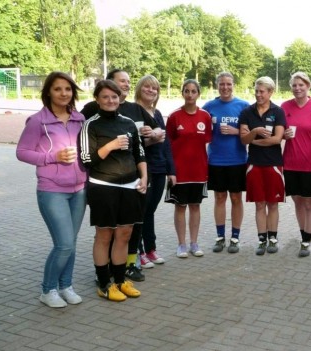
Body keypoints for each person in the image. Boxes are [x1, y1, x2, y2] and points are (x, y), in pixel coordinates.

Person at [16, 72, 88, 308]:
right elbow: (22, 152)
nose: (63, 93)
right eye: (58, 89)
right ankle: (48, 290)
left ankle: (66, 285)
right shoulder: (38, 121)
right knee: (64, 243)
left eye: (67, 89)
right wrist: (51, 157)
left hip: (79, 189)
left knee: (72, 242)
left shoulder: (79, 119)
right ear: (48, 92)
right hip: (52, 190)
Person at [81, 69, 160, 283]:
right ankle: (104, 281)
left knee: (124, 234)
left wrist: (144, 177)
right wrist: (111, 146)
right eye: (105, 97)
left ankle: (119, 280)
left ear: (119, 98)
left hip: (130, 186)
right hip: (103, 186)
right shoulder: (91, 124)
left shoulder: (127, 122)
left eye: (114, 97)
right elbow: (87, 160)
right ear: (97, 99)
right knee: (105, 236)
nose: (110, 100)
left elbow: (139, 153)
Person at [203, 72, 250, 254]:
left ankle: (235, 237)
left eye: (228, 84)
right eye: (222, 84)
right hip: (216, 160)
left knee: (236, 198)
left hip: (237, 160)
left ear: (233, 85)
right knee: (220, 197)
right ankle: (220, 237)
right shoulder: (209, 107)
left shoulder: (243, 106)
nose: (225, 87)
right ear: (217, 85)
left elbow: (250, 133)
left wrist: (235, 131)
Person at [166, 79, 212, 258]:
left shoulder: (205, 116)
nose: (190, 94)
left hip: (198, 170)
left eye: (193, 91)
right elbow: (167, 144)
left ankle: (194, 243)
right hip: (179, 171)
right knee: (180, 206)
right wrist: (170, 170)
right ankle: (181, 244)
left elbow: (207, 140)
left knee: (195, 206)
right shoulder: (174, 116)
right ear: (182, 93)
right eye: (187, 91)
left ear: (198, 94)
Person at [239, 76, 286, 255]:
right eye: (257, 91)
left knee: (273, 203)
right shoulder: (247, 112)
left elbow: (276, 139)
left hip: (273, 163)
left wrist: (254, 139)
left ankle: (273, 238)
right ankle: (261, 239)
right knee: (260, 204)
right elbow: (243, 140)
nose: (258, 94)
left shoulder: (278, 112)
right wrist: (256, 132)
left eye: (262, 91)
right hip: (254, 164)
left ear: (270, 92)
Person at [281, 72, 311, 257]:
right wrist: (284, 135)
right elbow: (278, 131)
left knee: (309, 203)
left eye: (301, 85)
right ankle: (303, 235)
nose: (297, 88)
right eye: (294, 85)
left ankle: (307, 241)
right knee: (297, 201)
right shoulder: (284, 106)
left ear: (308, 86)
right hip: (290, 162)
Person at [134, 75, 175, 268]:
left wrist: (171, 169)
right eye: (147, 87)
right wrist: (153, 139)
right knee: (141, 211)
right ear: (139, 89)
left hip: (159, 168)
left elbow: (166, 143)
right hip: (144, 168)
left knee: (150, 211)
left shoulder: (157, 113)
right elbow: (136, 144)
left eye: (155, 88)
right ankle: (139, 251)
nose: (151, 91)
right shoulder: (135, 111)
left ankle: (151, 248)